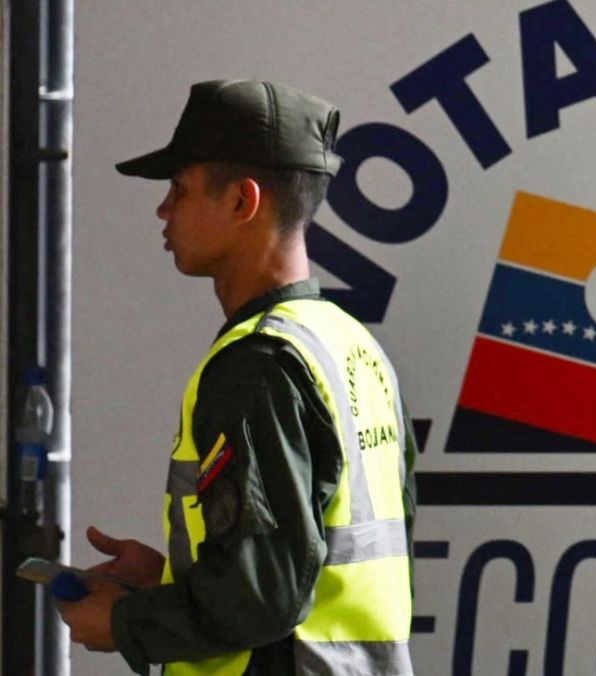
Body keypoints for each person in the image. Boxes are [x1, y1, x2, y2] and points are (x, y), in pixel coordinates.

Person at [56, 79, 417, 675]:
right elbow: (318, 564)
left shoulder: (256, 364)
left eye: (179, 189)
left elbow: (263, 595)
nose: (163, 210)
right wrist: (173, 577)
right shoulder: (351, 345)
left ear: (243, 202)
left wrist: (125, 623)